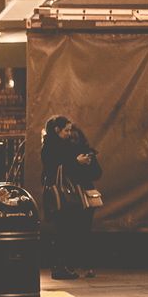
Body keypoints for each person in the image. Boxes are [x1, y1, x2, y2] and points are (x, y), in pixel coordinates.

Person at [40, 115, 102, 279]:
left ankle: (64, 266)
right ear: (57, 130)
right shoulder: (52, 148)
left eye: (71, 131)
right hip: (62, 194)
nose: (69, 134)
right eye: (66, 131)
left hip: (69, 195)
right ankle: (61, 267)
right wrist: (77, 163)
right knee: (64, 230)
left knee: (65, 230)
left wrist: (83, 163)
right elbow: (54, 169)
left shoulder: (63, 147)